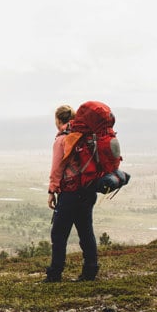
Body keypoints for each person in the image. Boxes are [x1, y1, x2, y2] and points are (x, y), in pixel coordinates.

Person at [45, 105, 99, 282]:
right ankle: (90, 271)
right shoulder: (85, 135)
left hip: (70, 193)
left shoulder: (62, 139)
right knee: (86, 231)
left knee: (59, 234)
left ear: (58, 120)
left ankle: (55, 274)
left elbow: (57, 168)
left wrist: (52, 190)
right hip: (88, 191)